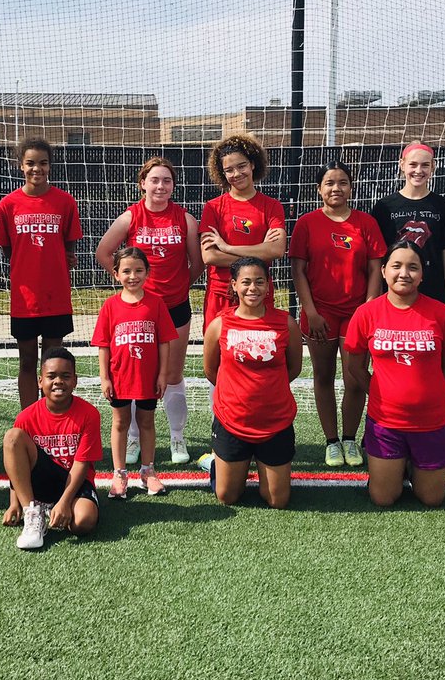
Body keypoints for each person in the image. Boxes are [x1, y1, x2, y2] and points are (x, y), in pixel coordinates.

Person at [95, 156, 202, 465]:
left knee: (170, 375)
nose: (160, 186)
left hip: (174, 308)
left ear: (173, 185)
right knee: (133, 378)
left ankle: (177, 437)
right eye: (154, 180)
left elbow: (197, 263)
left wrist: (178, 287)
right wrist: (130, 286)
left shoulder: (185, 219)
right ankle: (132, 439)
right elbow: (104, 251)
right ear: (142, 183)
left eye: (166, 180)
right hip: (137, 312)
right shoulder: (131, 217)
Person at [344, 241, 445, 508]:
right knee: (383, 498)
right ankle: (394, 467)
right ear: (384, 270)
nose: (404, 273)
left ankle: (411, 467)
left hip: (432, 421)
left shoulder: (441, 314)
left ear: (422, 275)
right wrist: (377, 391)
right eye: (396, 266)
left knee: (432, 499)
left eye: (413, 267)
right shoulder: (366, 313)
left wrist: (434, 389)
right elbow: (354, 366)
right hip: (386, 422)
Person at [289, 160, 386, 467]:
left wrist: (368, 307)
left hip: (357, 312)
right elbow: (298, 270)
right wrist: (310, 310)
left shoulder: (365, 223)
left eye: (342, 182)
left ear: (351, 187)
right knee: (323, 376)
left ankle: (350, 438)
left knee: (355, 378)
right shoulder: (307, 223)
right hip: (320, 312)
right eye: (329, 183)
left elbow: (375, 268)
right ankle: (331, 441)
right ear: (319, 189)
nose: (336, 188)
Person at [199, 257, 302, 509]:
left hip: (275, 422)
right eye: (245, 282)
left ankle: (256, 463)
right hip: (232, 421)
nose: (252, 288)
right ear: (234, 285)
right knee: (227, 497)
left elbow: (294, 369)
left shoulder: (286, 323)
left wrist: (266, 389)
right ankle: (215, 462)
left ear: (268, 285)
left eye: (259, 282)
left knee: (278, 501)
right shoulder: (220, 324)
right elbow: (211, 370)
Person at [0, 138, 83, 409]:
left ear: (50, 166)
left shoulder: (65, 202)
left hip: (55, 295)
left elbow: (69, 247)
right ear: (21, 166)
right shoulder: (8, 205)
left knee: (53, 361)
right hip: (24, 298)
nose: (37, 169)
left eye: (43, 163)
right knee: (27, 360)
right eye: (30, 163)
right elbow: (9, 250)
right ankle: (29, 419)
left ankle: (51, 418)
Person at [92, 247, 177, 498]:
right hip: (119, 378)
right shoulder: (110, 306)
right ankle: (119, 474)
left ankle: (148, 471)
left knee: (146, 422)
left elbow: (164, 342)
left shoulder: (156, 303)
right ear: (116, 274)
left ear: (147, 273)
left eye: (139, 270)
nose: (133, 276)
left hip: (147, 378)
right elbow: (104, 344)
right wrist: (105, 377)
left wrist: (162, 375)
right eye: (126, 271)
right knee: (120, 423)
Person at [2, 348, 103, 550]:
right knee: (12, 437)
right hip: (41, 479)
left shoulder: (89, 414)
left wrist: (65, 502)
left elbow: (81, 465)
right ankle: (33, 514)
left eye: (65, 376)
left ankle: (50, 508)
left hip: (73, 480)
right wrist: (14, 503)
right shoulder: (27, 416)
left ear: (75, 380)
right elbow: (16, 461)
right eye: (51, 376)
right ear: (40, 381)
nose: (58, 381)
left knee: (83, 522)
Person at [199, 134, 287, 332]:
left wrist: (227, 247)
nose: (236, 174)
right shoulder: (213, 208)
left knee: (259, 355)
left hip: (257, 293)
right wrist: (259, 252)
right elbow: (210, 256)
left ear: (253, 165)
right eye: (229, 170)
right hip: (221, 294)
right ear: (222, 173)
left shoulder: (272, 207)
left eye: (241, 166)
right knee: (218, 360)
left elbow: (277, 249)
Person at [370, 141, 445, 312]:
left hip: (433, 294)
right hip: (394, 295)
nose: (418, 171)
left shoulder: (443, 206)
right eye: (413, 164)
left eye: (425, 165)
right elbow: (377, 258)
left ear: (433, 167)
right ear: (402, 165)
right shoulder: (384, 206)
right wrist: (374, 297)